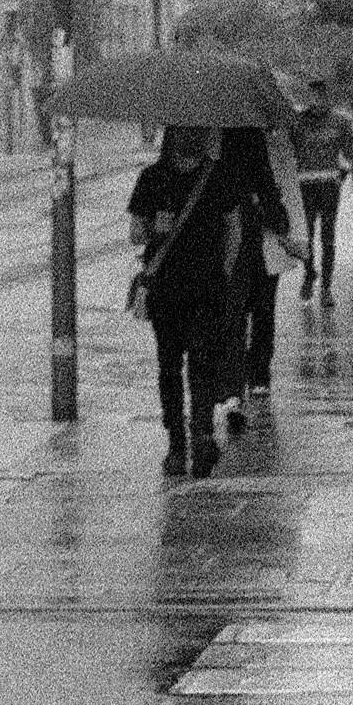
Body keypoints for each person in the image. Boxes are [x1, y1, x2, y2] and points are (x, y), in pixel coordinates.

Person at [127, 125, 240, 478]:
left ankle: (179, 444)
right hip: (202, 285)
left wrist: (153, 228)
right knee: (200, 361)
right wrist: (222, 270)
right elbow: (233, 230)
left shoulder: (152, 177)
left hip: (170, 288)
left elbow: (135, 234)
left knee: (170, 366)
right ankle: (199, 434)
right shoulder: (218, 175)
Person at [218, 127, 305, 427]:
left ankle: (242, 379)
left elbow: (275, 187)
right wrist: (281, 225)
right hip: (245, 241)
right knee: (252, 310)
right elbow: (269, 187)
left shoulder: (261, 138)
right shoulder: (244, 137)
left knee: (240, 313)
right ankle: (245, 379)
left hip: (238, 242)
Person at [290, 78, 352, 307]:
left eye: (321, 95)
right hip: (305, 184)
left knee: (327, 236)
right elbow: (289, 150)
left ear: (327, 96)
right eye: (313, 95)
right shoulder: (298, 122)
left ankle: (326, 286)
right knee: (306, 235)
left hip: (327, 183)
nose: (316, 100)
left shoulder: (339, 121)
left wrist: (341, 174)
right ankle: (309, 274)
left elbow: (350, 152)